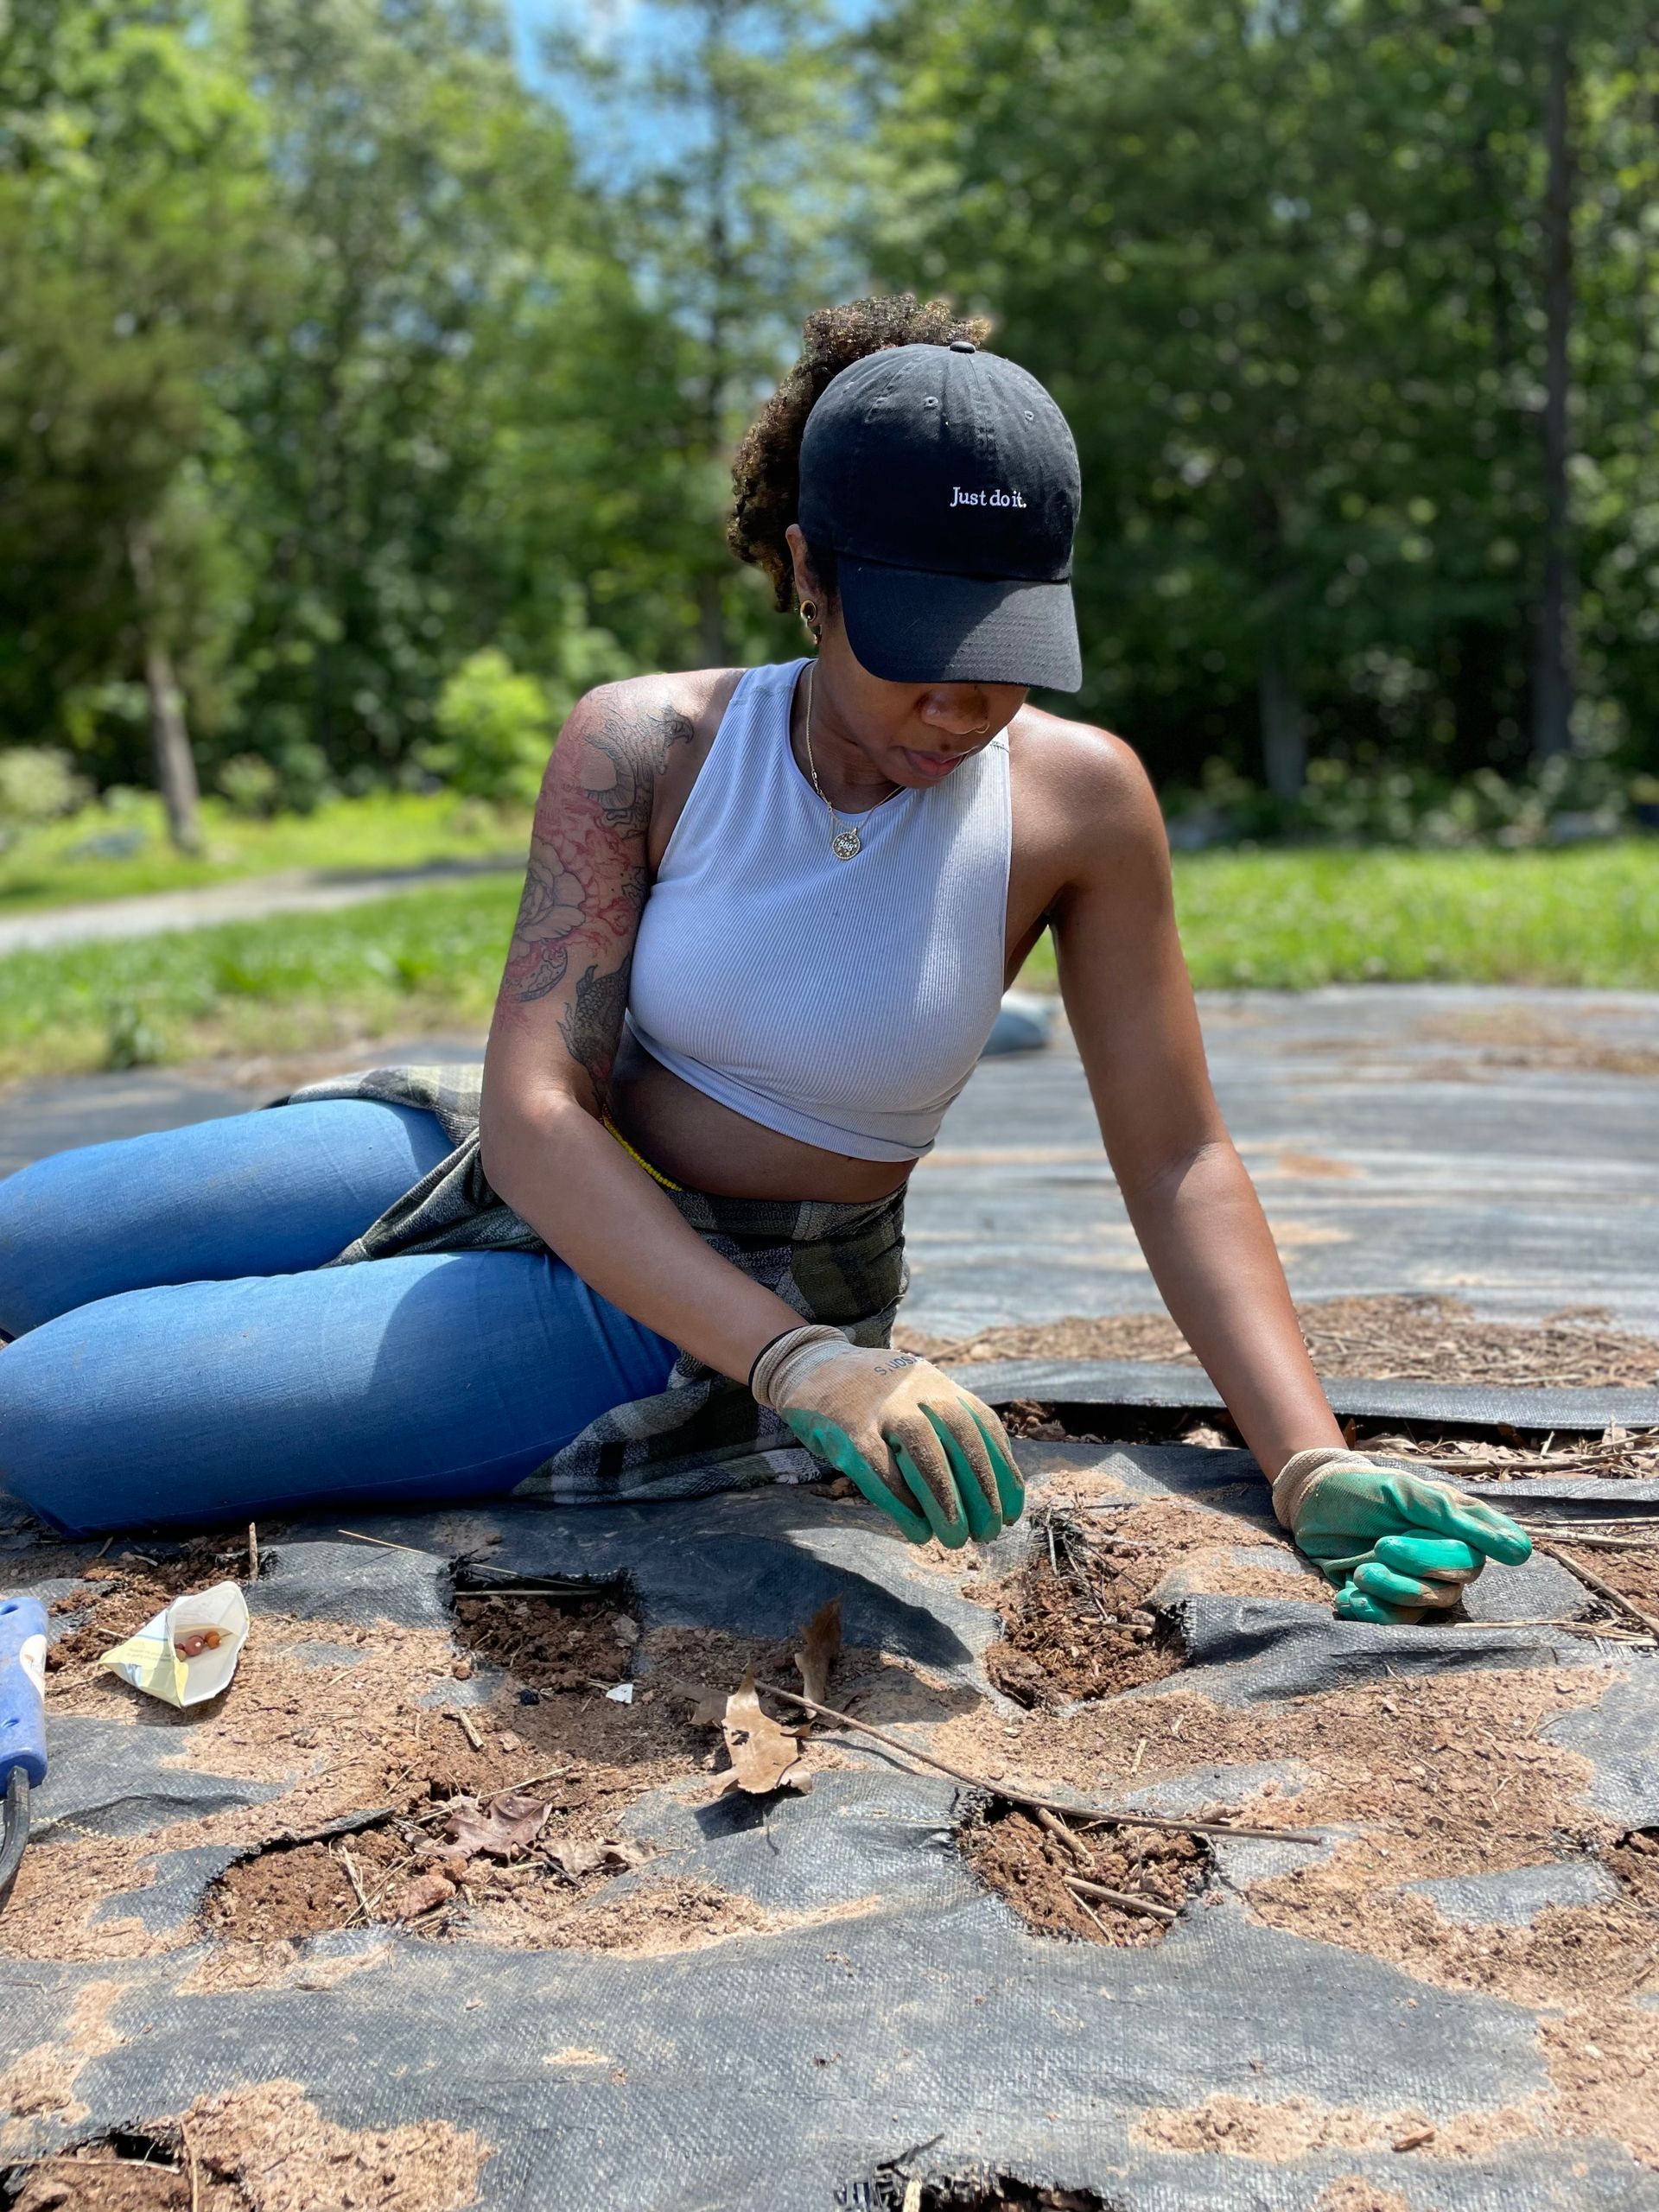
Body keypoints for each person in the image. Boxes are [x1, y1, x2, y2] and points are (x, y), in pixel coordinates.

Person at [0, 295, 1528, 1621]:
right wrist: (794, 1362)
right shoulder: (646, 744)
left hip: (728, 1292)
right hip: (519, 1155)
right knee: (20, 1247)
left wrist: (1306, 1454)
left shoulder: (1081, 805)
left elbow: (1179, 1153)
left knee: (52, 1417)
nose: (963, 701)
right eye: (918, 644)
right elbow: (534, 1108)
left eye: (1008, 650)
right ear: (810, 573)